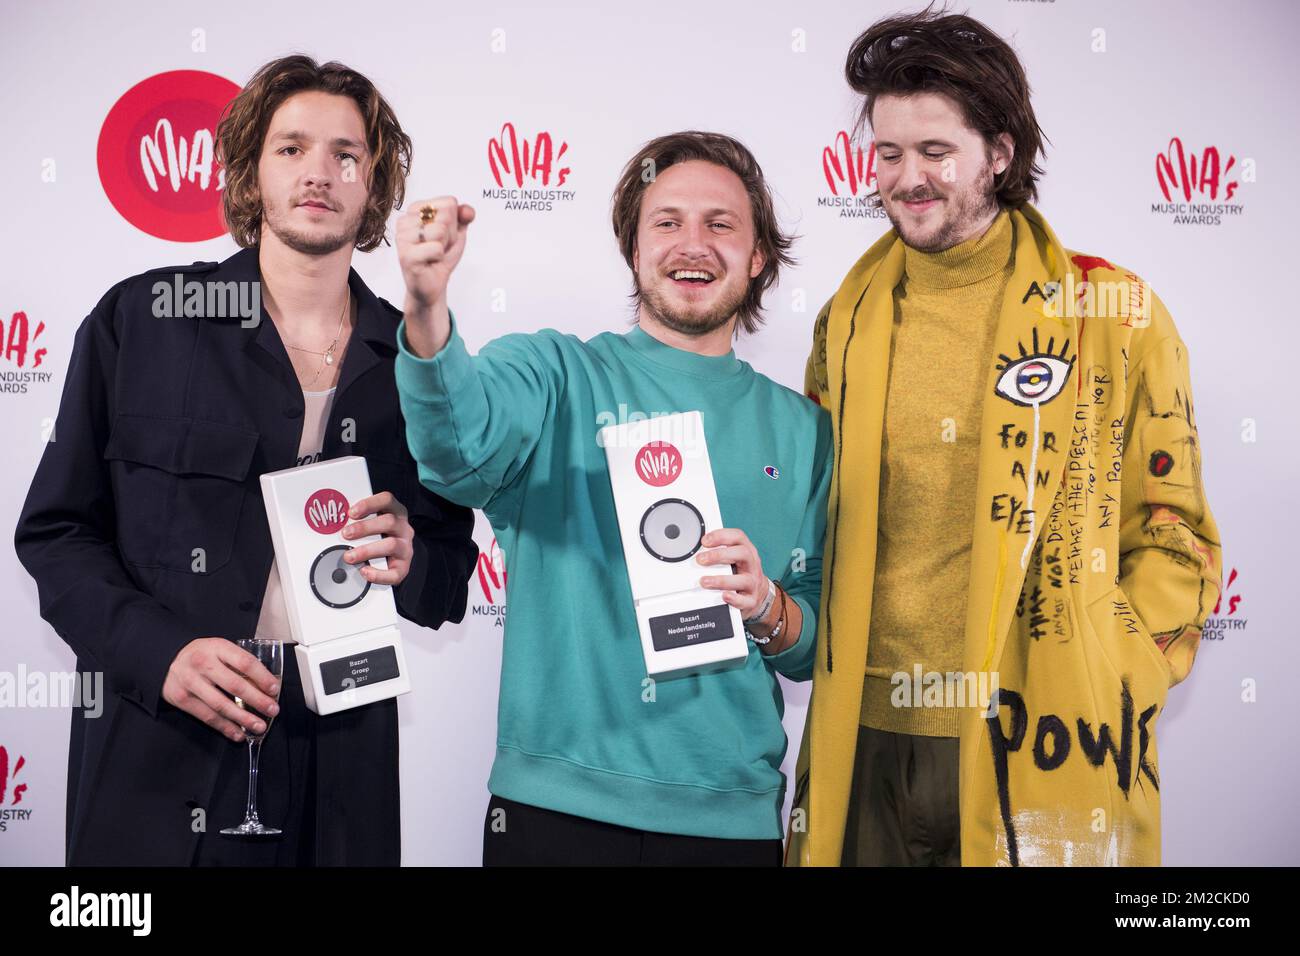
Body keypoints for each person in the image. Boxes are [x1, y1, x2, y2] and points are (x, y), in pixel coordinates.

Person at [13, 55, 477, 866]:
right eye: (291, 148)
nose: (319, 174)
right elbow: (56, 534)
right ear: (250, 172)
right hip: (162, 748)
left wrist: (411, 555)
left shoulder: (416, 363)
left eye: (347, 155)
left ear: (374, 185)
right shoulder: (142, 321)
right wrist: (160, 654)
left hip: (343, 758)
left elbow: (446, 577)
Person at [787, 9, 1222, 867]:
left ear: (1000, 153)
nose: (906, 178)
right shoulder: (846, 320)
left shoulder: (1114, 312)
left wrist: (1114, 668)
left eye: (935, 152)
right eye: (888, 154)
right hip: (864, 738)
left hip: (1043, 733)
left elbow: (1177, 533)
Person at [393, 131, 833, 866]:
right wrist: (427, 311)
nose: (692, 243)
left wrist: (768, 608)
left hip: (731, 824)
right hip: (552, 813)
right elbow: (453, 448)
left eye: (720, 224)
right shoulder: (554, 374)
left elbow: (815, 649)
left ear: (758, 259)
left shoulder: (807, 431)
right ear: (634, 249)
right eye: (667, 222)